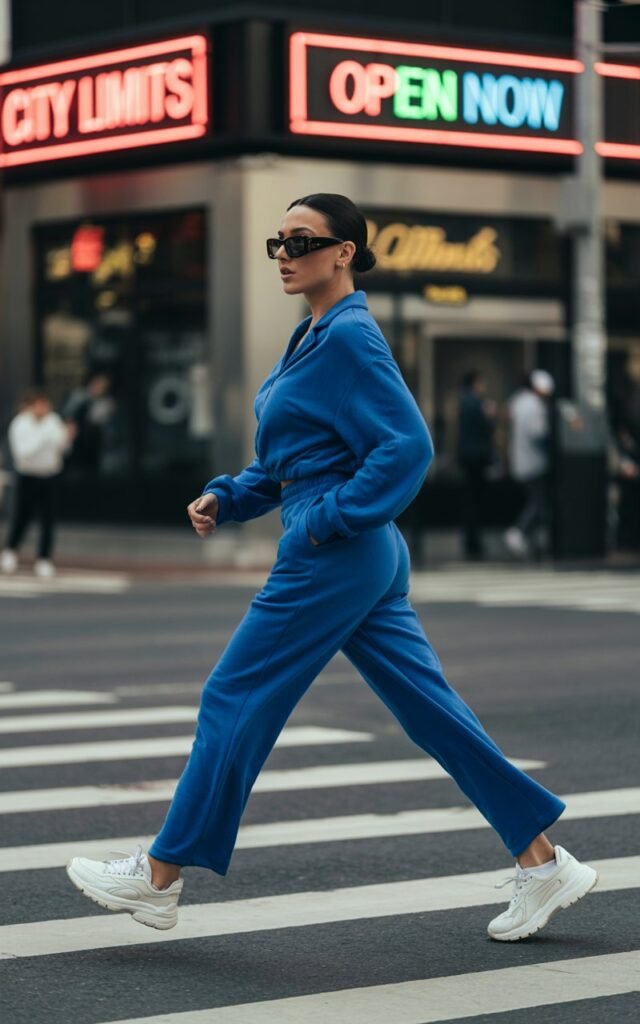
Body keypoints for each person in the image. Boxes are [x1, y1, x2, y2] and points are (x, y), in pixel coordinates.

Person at [66, 194, 597, 942]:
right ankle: (544, 864)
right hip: (357, 552)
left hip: (336, 551)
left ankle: (160, 875)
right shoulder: (313, 334)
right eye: (276, 241)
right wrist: (230, 495)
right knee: (432, 713)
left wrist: (329, 519)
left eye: (301, 240)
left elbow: (407, 448)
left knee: (234, 694)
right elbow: (295, 459)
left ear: (345, 251)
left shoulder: (350, 335)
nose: (284, 252)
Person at [1, 389, 76, 578]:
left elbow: (62, 448)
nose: (43, 409)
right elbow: (24, 453)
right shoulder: (20, 424)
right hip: (28, 476)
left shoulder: (53, 421)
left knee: (48, 518)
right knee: (22, 516)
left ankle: (44, 559)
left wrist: (67, 437)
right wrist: (44, 437)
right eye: (39, 404)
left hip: (49, 475)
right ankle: (10, 551)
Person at [504, 370, 555, 559]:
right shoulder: (535, 406)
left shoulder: (517, 402)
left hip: (519, 459)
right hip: (534, 461)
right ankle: (518, 532)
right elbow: (538, 433)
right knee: (538, 501)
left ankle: (534, 540)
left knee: (535, 500)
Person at [456, 370, 496, 559]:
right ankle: (474, 543)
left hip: (467, 456)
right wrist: (490, 415)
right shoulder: (478, 404)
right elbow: (487, 429)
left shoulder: (463, 402)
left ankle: (471, 541)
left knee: (469, 500)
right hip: (477, 457)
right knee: (475, 502)